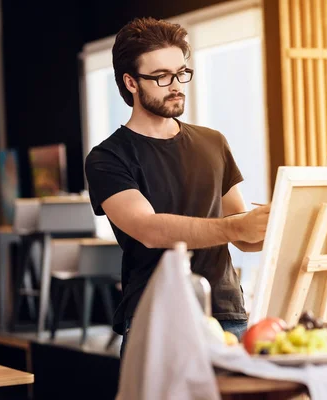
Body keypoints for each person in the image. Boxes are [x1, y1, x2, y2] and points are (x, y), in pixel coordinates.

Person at [84, 17, 270, 358]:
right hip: (155, 318)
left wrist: (277, 222)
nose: (176, 85)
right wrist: (237, 225)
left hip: (227, 311)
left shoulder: (213, 143)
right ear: (131, 83)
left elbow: (243, 235)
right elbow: (149, 230)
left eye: (182, 72)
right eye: (161, 77)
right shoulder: (106, 158)